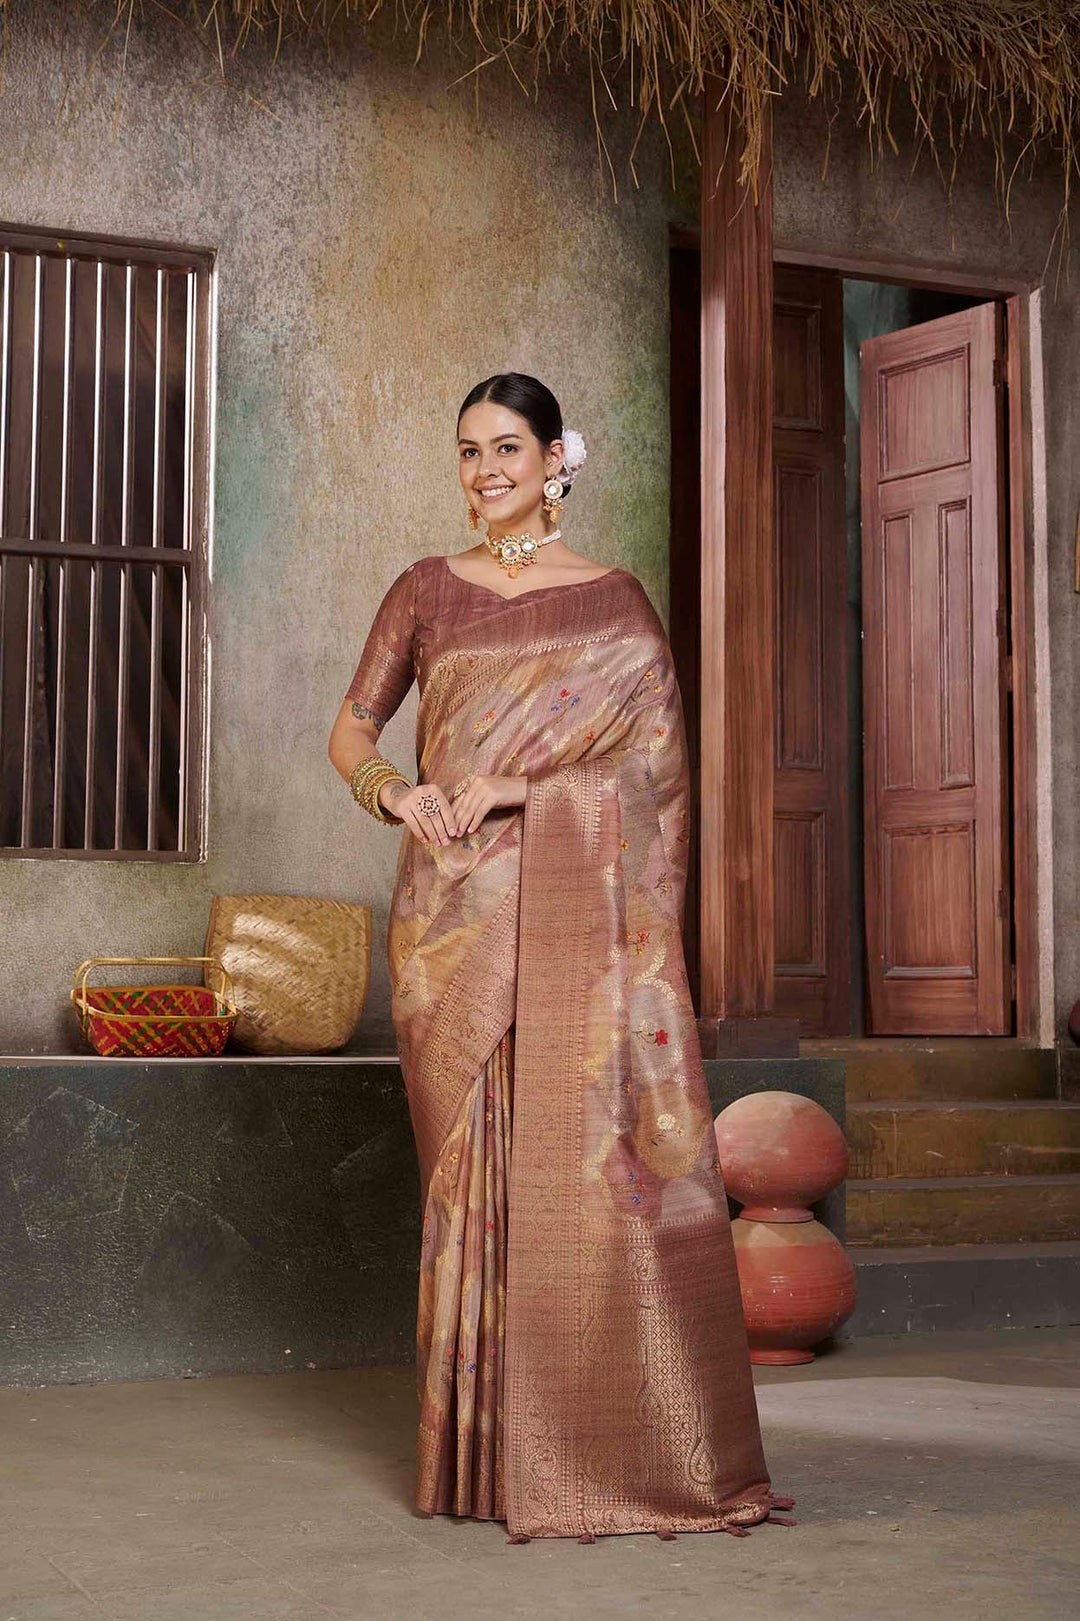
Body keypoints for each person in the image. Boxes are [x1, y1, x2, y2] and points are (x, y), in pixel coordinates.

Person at [327, 373, 794, 1544]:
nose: (486, 472)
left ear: (555, 460)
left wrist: (520, 787)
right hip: (449, 918)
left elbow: (653, 777)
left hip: (574, 926)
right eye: (469, 451)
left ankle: (583, 1441)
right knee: (468, 1178)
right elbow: (351, 726)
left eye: (507, 449)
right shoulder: (426, 591)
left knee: (576, 1166)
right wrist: (399, 792)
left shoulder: (617, 605)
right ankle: (479, 1453)